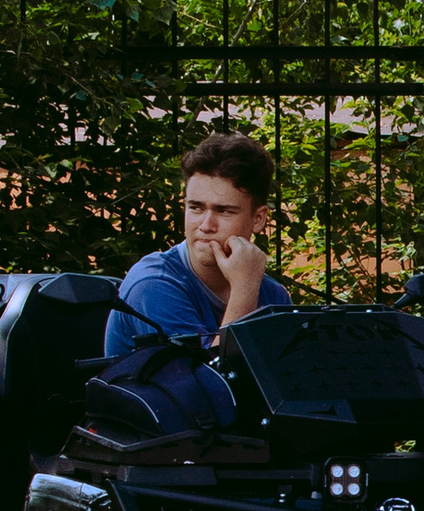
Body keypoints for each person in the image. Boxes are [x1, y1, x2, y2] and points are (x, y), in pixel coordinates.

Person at [104, 132, 293, 356]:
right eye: (196, 208)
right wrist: (244, 289)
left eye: (224, 211)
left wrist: (247, 285)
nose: (205, 225)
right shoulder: (153, 284)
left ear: (258, 218)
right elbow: (207, 385)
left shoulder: (273, 295)